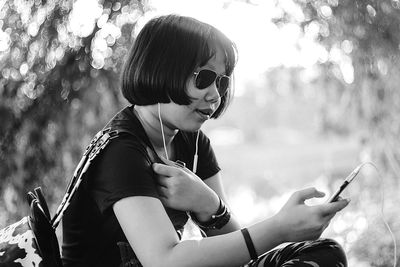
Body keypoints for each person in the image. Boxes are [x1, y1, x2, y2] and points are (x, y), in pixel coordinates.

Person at [61, 14, 349, 267]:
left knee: (324, 253)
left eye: (221, 82)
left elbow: (238, 248)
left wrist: (209, 203)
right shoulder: (121, 150)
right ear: (162, 70)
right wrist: (278, 228)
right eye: (204, 78)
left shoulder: (193, 143)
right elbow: (164, 260)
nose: (215, 94)